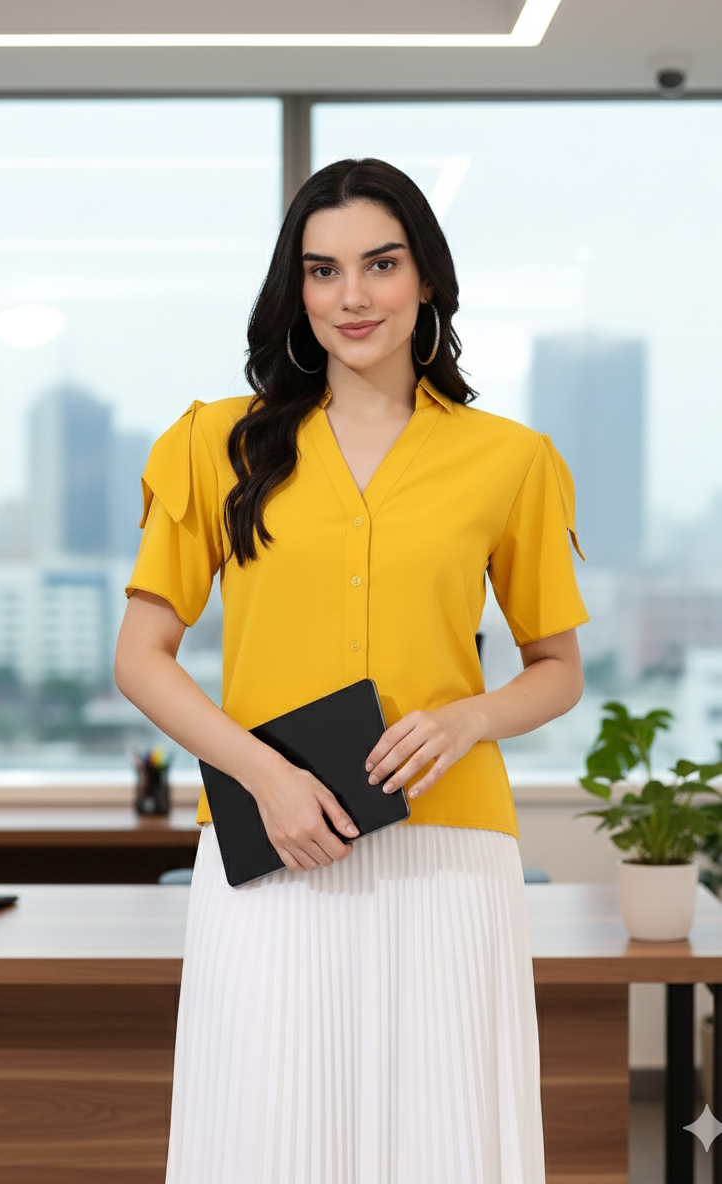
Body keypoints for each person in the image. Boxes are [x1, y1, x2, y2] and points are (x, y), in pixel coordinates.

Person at [115, 157, 589, 1184]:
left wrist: (469, 719)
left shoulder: (510, 460)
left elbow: (555, 668)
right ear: (297, 289)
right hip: (269, 844)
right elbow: (141, 658)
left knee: (442, 1134)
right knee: (266, 1131)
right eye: (322, 271)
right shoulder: (214, 444)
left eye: (380, 264)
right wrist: (265, 776)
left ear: (426, 278)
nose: (352, 297)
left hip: (448, 848)